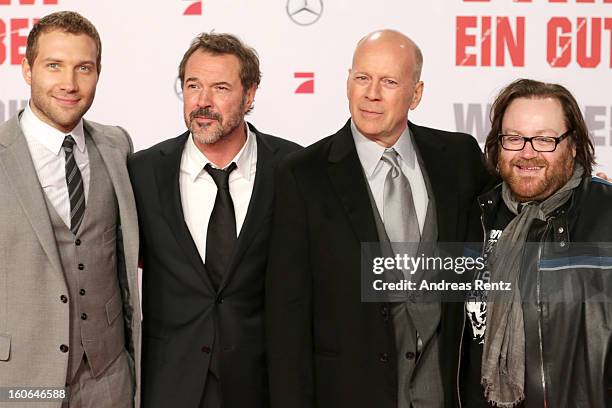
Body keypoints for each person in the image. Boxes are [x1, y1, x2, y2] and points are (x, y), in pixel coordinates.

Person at [266, 29, 490, 408]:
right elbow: (287, 317)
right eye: (362, 78)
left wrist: (581, 188)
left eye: (388, 82)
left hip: (444, 393)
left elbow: (514, 214)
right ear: (348, 82)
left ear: (416, 94)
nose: (371, 93)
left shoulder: (459, 157)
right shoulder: (302, 175)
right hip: (350, 393)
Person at [128, 33, 301, 408]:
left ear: (250, 94)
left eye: (220, 87)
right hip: (170, 383)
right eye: (193, 86)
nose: (202, 102)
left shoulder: (294, 169)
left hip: (264, 385)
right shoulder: (142, 172)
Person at [0, 11, 141, 408]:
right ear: (27, 70)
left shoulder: (118, 145)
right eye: (54, 66)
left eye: (84, 68)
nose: (69, 83)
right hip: (22, 380)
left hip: (108, 378)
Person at [461, 78, 612, 407]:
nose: (527, 153)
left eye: (545, 140)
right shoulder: (475, 216)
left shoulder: (605, 216)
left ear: (572, 145)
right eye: (514, 138)